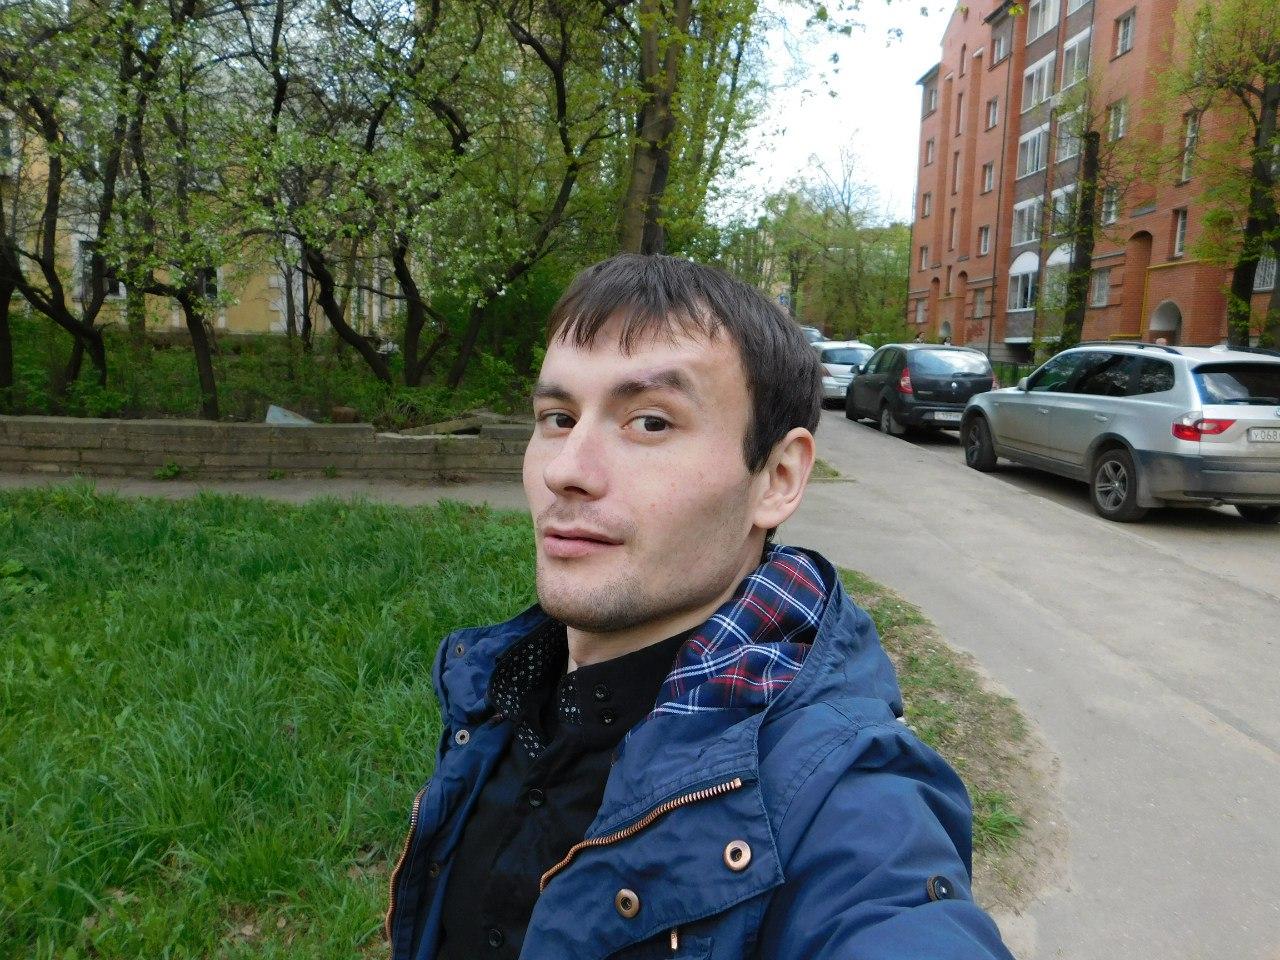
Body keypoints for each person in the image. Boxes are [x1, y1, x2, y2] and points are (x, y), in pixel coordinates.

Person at [386, 255, 1013, 960]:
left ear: (776, 479)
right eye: (558, 418)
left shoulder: (839, 800)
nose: (565, 470)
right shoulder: (495, 687)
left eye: (650, 423)